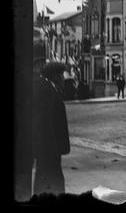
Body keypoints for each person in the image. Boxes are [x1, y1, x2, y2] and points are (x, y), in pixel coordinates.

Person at [32, 61, 70, 195]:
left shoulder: (49, 88)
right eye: (61, 75)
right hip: (49, 148)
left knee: (45, 181)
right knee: (54, 182)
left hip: (48, 147)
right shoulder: (48, 91)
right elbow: (45, 121)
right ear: (54, 76)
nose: (63, 78)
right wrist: (52, 147)